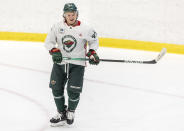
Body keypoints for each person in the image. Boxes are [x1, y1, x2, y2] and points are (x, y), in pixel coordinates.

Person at [44, 3, 100, 126]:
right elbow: (48, 42)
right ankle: (61, 113)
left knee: (73, 91)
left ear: (77, 14)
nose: (71, 16)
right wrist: (54, 50)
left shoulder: (86, 28)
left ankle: (71, 111)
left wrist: (92, 52)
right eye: (68, 14)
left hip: (77, 64)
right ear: (64, 15)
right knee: (56, 88)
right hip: (60, 63)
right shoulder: (57, 27)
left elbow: (94, 41)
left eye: (73, 14)